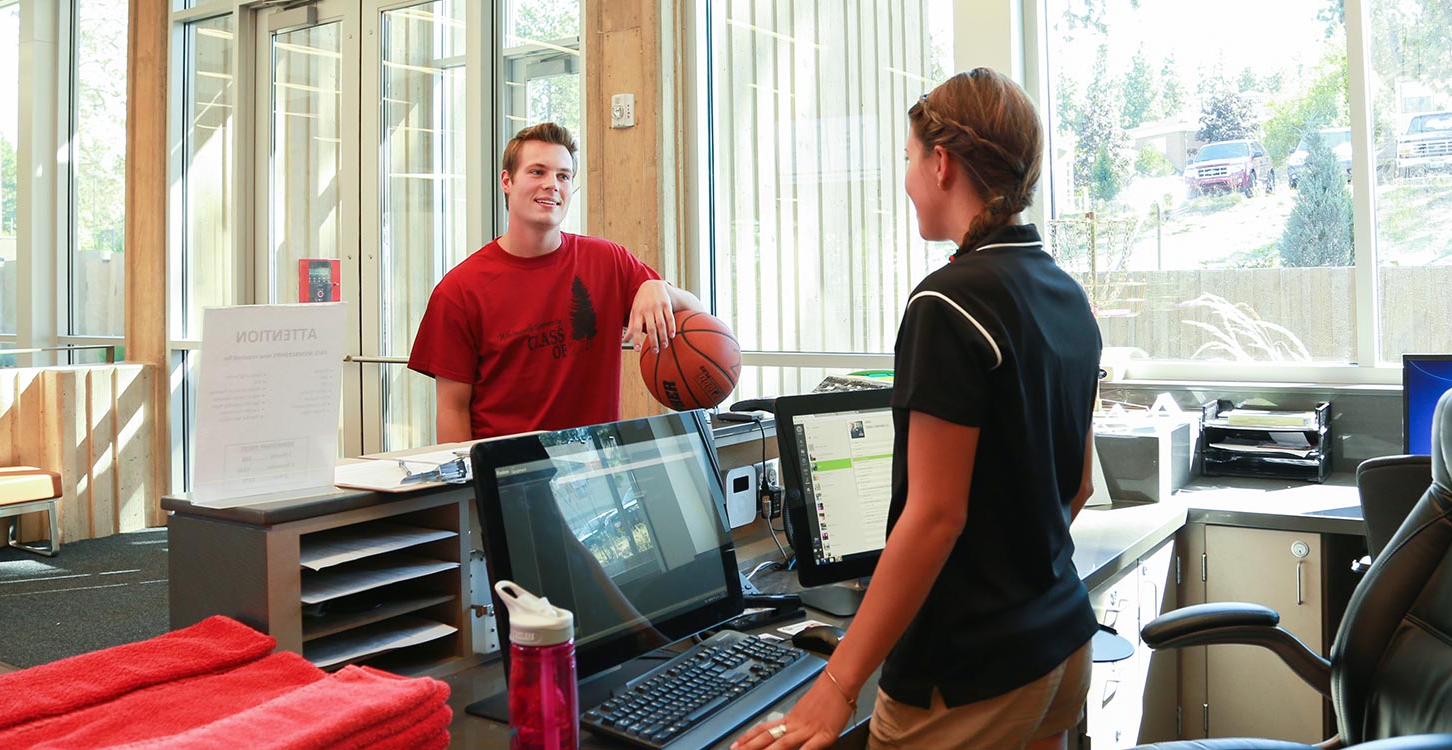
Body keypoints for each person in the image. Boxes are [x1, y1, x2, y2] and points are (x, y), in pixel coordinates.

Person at [733, 68, 1102, 750]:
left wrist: (837, 687)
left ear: (941, 163)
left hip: (966, 677)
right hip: (1058, 648)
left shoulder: (948, 302)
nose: (905, 179)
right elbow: (1075, 486)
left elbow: (935, 516)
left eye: (908, 158)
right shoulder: (1062, 290)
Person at [407, 122, 703, 442]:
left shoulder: (608, 261)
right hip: (510, 478)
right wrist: (468, 489)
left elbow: (698, 315)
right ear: (507, 180)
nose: (552, 184)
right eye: (537, 172)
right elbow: (452, 409)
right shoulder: (459, 290)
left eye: (563, 175)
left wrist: (659, 288)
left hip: (598, 473)